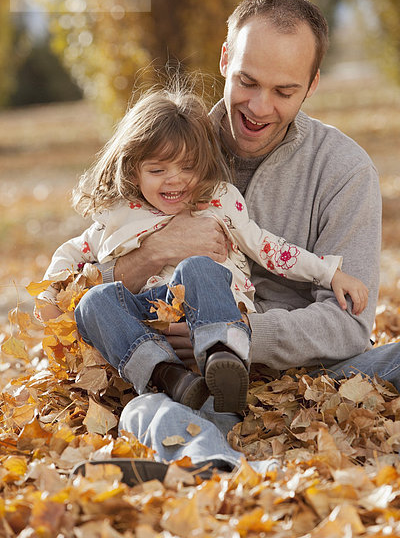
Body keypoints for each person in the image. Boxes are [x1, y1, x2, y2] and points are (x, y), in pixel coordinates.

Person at [37, 88, 367, 416]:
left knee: (197, 267)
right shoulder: (119, 213)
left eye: (187, 168)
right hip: (150, 322)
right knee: (94, 302)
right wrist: (51, 289)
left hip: (212, 307)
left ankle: (223, 358)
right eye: (158, 170)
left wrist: (329, 272)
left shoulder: (219, 200)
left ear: (204, 165)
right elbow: (73, 251)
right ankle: (166, 375)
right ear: (133, 169)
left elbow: (267, 247)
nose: (174, 181)